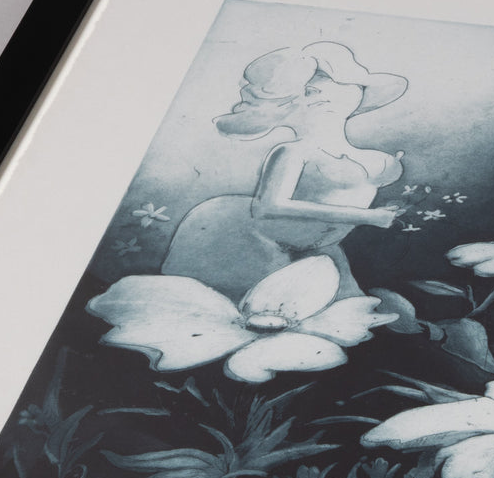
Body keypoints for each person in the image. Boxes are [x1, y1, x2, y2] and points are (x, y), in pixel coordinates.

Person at [160, 42, 409, 301]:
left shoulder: (374, 160)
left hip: (319, 248)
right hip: (254, 240)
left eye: (341, 85)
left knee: (344, 306)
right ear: (285, 105)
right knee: (248, 303)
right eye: (309, 91)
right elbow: (269, 207)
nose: (323, 96)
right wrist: (366, 216)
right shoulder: (292, 152)